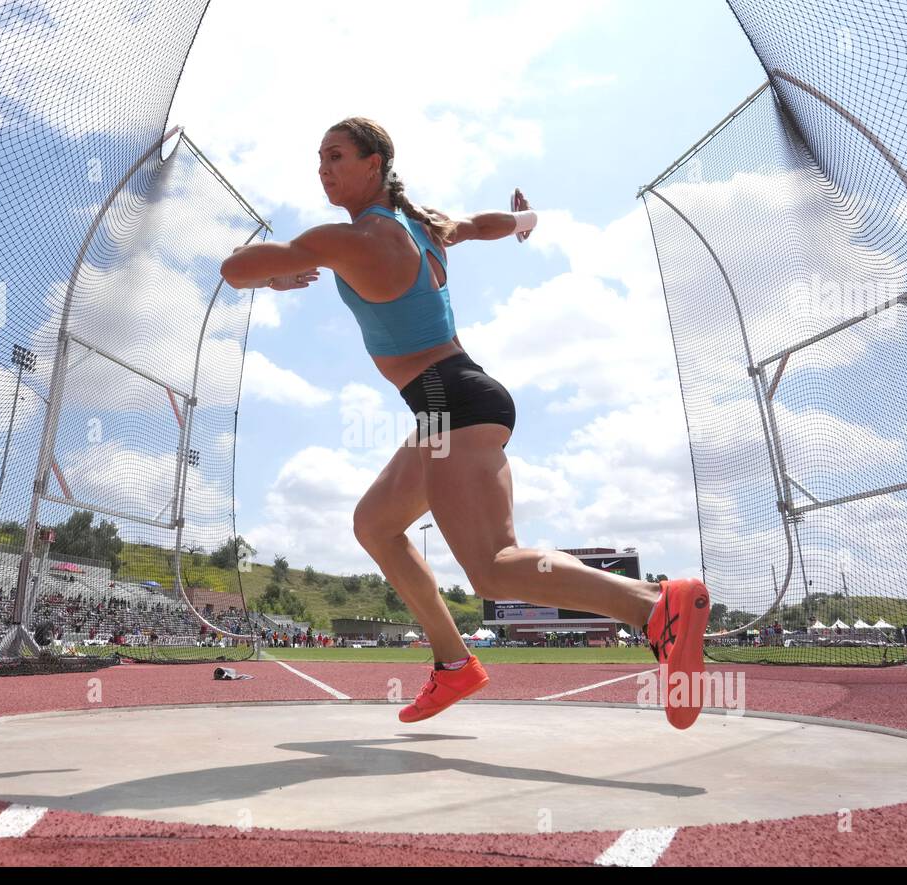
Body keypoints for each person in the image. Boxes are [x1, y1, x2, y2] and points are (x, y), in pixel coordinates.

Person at [220, 117, 711, 729]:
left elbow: (232, 268)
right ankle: (454, 664)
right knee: (375, 523)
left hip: (452, 400)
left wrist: (277, 273)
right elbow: (482, 226)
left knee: (492, 565)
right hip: (447, 397)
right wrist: (526, 224)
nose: (323, 168)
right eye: (318, 157)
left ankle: (651, 605)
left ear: (374, 165)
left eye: (336, 156)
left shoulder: (358, 239)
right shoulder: (424, 224)